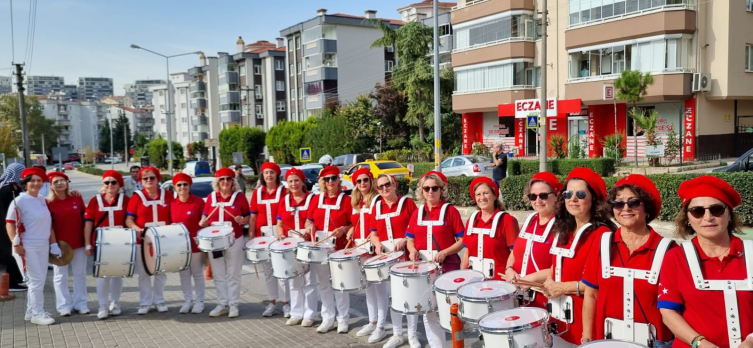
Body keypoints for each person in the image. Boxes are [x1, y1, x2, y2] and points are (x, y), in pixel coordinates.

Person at [518, 167, 616, 347]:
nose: (573, 199)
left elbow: (600, 283)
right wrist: (549, 281)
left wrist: (562, 287)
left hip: (585, 320)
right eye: (568, 193)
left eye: (580, 193)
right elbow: (556, 265)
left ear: (593, 199)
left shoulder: (602, 234)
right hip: (559, 317)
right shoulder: (564, 229)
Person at [658, 176, 753, 348]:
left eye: (716, 209)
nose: (707, 217)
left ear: (729, 214)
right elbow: (668, 311)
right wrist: (699, 343)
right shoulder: (676, 257)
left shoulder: (751, 253)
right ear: (687, 218)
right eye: (697, 211)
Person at [581, 174, 676, 346]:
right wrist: (587, 336)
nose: (625, 208)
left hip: (655, 342)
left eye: (634, 202)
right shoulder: (603, 244)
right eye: (618, 203)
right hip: (608, 340)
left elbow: (677, 306)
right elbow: (591, 294)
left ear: (647, 208)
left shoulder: (669, 249)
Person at [405, 171, 465, 348]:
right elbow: (410, 239)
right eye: (426, 188)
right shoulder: (417, 212)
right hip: (423, 268)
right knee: (428, 310)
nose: (430, 192)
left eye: (434, 188)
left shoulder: (450, 211)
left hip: (447, 267)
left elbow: (462, 241)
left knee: (450, 311)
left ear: (441, 190)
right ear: (421, 191)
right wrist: (412, 250)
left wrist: (445, 252)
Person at [369, 174, 419, 348]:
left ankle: (412, 335)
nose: (384, 189)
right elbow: (373, 233)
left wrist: (406, 239)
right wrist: (377, 245)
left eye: (387, 185)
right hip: (386, 257)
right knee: (393, 297)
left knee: (409, 296)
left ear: (394, 185)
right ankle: (398, 334)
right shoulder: (376, 207)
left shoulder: (408, 204)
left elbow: (416, 228)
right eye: (380, 187)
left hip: (405, 256)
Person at [5, 167, 58, 325]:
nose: (36, 183)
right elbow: (10, 223)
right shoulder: (20, 200)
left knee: (38, 279)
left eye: (39, 180)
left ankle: (30, 310)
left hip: (42, 245)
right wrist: (16, 244)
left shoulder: (42, 199)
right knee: (36, 281)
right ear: (25, 183)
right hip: (26, 246)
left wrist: (53, 244)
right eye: (32, 180)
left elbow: (48, 223)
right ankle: (37, 313)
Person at [305, 165, 353, 334]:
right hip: (320, 248)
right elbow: (308, 221)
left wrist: (344, 230)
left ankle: (343, 319)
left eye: (333, 178)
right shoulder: (315, 199)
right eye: (327, 179)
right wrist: (309, 227)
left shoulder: (347, 200)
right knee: (324, 284)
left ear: (339, 180)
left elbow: (353, 224)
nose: (330, 181)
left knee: (340, 285)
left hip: (339, 249)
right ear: (322, 182)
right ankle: (328, 318)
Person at [505, 172, 562, 309]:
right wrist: (509, 268)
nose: (538, 201)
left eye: (543, 196)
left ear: (556, 196)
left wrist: (531, 279)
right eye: (532, 196)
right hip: (519, 295)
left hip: (545, 299)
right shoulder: (530, 220)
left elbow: (562, 267)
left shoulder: (562, 226)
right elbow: (515, 251)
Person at [200, 167, 250, 318]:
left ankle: (234, 304)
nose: (225, 182)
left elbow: (248, 217)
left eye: (228, 179)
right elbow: (204, 217)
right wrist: (202, 222)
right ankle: (222, 304)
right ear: (217, 181)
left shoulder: (240, 197)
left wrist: (242, 220)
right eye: (222, 179)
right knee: (219, 274)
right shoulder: (211, 198)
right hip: (215, 242)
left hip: (235, 240)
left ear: (233, 181)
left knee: (233, 274)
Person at [125, 166, 173, 315]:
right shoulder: (137, 196)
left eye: (152, 178)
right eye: (145, 178)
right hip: (143, 241)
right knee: (144, 274)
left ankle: (159, 300)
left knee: (160, 272)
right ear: (141, 181)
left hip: (163, 240)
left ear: (158, 179)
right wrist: (135, 228)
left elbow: (174, 215)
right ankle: (145, 302)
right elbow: (129, 220)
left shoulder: (168, 195)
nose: (149, 181)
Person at [347, 168, 387, 344]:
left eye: (365, 180)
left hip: (373, 249)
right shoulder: (356, 202)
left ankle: (381, 326)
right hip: (360, 248)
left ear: (371, 182)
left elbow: (379, 224)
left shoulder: (377, 200)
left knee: (380, 288)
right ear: (355, 184)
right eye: (359, 181)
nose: (362, 183)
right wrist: (350, 230)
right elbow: (355, 223)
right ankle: (373, 321)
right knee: (368, 288)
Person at [84, 170, 130, 319]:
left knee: (117, 274)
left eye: (113, 182)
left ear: (119, 184)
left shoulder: (127, 199)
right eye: (106, 182)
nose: (110, 185)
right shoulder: (94, 200)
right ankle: (102, 305)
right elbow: (88, 224)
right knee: (103, 276)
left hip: (121, 243)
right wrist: (87, 245)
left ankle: (115, 302)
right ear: (102, 184)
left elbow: (130, 221)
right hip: (100, 243)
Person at [275, 167, 317, 327]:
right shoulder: (284, 201)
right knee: (293, 280)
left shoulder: (312, 199)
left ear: (302, 182)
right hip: (290, 245)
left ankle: (310, 314)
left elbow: (314, 221)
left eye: (296, 180)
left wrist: (308, 231)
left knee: (308, 280)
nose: (294, 184)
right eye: (291, 181)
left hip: (307, 243)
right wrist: (280, 234)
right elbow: (279, 224)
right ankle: (296, 312)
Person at [46, 171, 89, 317]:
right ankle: (64, 306)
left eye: (62, 181)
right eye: (56, 182)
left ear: (67, 183)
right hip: (60, 246)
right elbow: (49, 225)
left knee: (80, 274)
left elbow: (86, 218)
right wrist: (53, 245)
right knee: (60, 276)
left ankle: (81, 303)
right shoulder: (48, 203)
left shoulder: (76, 198)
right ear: (51, 186)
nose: (59, 184)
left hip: (79, 243)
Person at [249, 162, 289, 317]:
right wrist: (251, 235)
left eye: (272, 172)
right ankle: (272, 302)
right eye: (266, 173)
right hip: (263, 237)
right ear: (262, 175)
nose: (269, 175)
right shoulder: (257, 193)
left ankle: (286, 303)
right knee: (268, 272)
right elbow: (253, 217)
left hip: (280, 236)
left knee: (282, 270)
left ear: (277, 175)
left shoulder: (284, 191)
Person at [461, 176, 519, 280]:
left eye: (486, 193)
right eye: (478, 194)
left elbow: (515, 253)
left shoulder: (508, 220)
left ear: (495, 195)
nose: (482, 197)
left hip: (499, 284)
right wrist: (462, 275)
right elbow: (467, 252)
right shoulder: (472, 220)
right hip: (473, 280)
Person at [170, 173, 206, 314]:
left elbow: (205, 223)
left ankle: (200, 301)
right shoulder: (172, 204)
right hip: (179, 247)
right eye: (179, 185)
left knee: (197, 274)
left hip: (196, 245)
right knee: (184, 275)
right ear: (175, 187)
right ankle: (187, 301)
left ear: (189, 185)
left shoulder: (198, 202)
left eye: (185, 184)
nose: (182, 187)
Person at [0, 163, 26, 292]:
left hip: (9, 227)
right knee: (10, 255)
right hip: (5, 228)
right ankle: (11, 283)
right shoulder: (8, 189)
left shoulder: (14, 187)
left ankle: (17, 278)